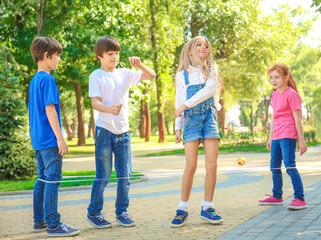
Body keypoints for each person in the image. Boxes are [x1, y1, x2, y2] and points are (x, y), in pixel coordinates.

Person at [87, 36, 156, 228]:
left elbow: (152, 76)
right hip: (104, 132)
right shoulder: (96, 76)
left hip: (124, 133)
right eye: (110, 54)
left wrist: (141, 65)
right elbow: (95, 103)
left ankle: (122, 212)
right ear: (100, 55)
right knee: (103, 176)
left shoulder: (124, 73)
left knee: (125, 175)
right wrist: (110, 109)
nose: (115, 57)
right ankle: (94, 213)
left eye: (117, 53)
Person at [28, 37, 80, 237]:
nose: (59, 59)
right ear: (45, 55)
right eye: (57, 56)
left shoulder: (35, 80)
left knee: (41, 178)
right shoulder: (48, 80)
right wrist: (60, 138)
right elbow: (50, 110)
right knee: (52, 180)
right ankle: (53, 225)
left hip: (38, 140)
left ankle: (39, 221)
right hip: (50, 140)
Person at [171, 36, 223, 227]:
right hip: (190, 119)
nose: (203, 47)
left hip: (209, 116)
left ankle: (208, 207)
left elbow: (209, 90)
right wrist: (178, 127)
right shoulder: (181, 75)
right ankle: (182, 209)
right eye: (198, 44)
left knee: (212, 165)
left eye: (206, 45)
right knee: (190, 166)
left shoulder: (211, 69)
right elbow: (178, 101)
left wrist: (185, 105)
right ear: (190, 51)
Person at [258, 63, 308, 210]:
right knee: (274, 167)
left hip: (288, 135)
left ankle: (300, 198)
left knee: (290, 166)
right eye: (271, 78)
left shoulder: (292, 94)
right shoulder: (275, 94)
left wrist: (302, 141)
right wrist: (270, 137)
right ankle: (277, 196)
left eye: (277, 77)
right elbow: (274, 117)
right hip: (276, 136)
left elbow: (298, 119)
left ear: (286, 77)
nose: (273, 81)